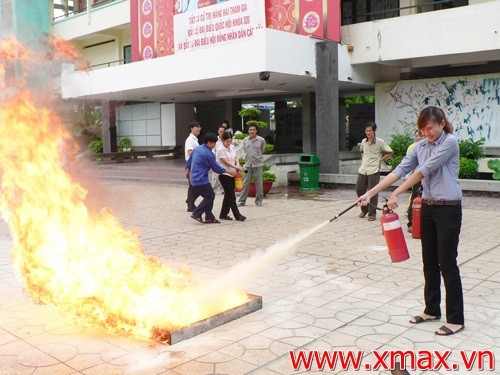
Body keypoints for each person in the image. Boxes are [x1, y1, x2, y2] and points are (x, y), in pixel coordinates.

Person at [357, 106, 464, 336]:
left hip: (448, 209)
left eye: (430, 128)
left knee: (447, 263)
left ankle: (456, 318)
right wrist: (369, 193)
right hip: (428, 207)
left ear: (442, 123)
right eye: (422, 130)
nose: (427, 133)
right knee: (429, 260)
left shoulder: (450, 142)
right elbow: (399, 171)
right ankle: (432, 310)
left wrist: (396, 195)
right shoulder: (420, 146)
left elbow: (422, 172)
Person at [186, 132, 237, 224]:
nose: (215, 145)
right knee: (210, 196)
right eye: (214, 143)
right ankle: (197, 213)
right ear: (210, 142)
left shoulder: (197, 149)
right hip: (200, 179)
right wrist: (230, 171)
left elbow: (189, 162)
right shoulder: (208, 154)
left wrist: (187, 170)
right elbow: (216, 168)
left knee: (208, 196)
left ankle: (209, 217)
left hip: (193, 178)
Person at [355, 122, 393, 221]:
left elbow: (390, 152)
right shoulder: (364, 141)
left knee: (373, 191)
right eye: (366, 131)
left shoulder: (380, 142)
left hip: (374, 169)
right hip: (363, 169)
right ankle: (364, 210)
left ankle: (372, 213)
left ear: (374, 131)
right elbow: (362, 151)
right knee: (359, 189)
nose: (368, 133)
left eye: (370, 131)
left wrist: (380, 160)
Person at [217, 132, 246, 221]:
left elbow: (235, 157)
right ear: (223, 140)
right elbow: (226, 162)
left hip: (233, 174)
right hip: (224, 175)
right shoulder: (220, 150)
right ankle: (237, 215)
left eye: (230, 141)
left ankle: (223, 214)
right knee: (231, 196)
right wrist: (236, 167)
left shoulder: (232, 147)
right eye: (227, 141)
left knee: (228, 195)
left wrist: (237, 164)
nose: (229, 143)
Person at [238, 124, 266, 207]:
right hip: (247, 165)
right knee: (245, 183)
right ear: (248, 131)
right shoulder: (245, 140)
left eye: (253, 130)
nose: (252, 131)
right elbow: (244, 150)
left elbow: (262, 150)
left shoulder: (261, 140)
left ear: (256, 130)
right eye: (250, 130)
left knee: (259, 184)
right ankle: (241, 201)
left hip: (258, 165)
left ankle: (259, 201)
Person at [406, 129, 424, 232]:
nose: (418, 137)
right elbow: (408, 163)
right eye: (417, 136)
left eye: (420, 136)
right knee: (414, 199)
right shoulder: (412, 147)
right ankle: (411, 223)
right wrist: (408, 177)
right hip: (415, 177)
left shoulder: (428, 146)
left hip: (426, 177)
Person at [185, 121, 202, 212]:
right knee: (193, 186)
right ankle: (190, 205)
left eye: (199, 127)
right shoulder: (190, 140)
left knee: (195, 186)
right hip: (192, 165)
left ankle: (190, 201)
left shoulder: (195, 139)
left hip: (196, 165)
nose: (199, 128)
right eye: (197, 127)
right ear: (192, 128)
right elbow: (190, 152)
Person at [210, 125, 226, 194]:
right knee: (215, 177)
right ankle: (214, 189)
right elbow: (213, 151)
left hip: (225, 162)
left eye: (223, 132)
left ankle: (223, 189)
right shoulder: (215, 140)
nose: (221, 133)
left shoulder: (226, 139)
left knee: (224, 176)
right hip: (216, 161)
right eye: (220, 132)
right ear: (218, 132)